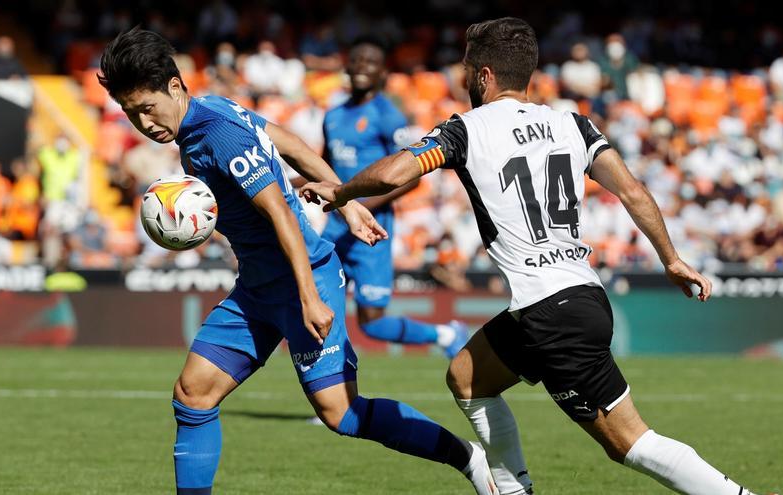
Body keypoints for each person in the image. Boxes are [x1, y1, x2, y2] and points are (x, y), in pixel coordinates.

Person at [301, 17, 768, 495]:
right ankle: (510, 488)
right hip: (572, 295)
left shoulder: (465, 130)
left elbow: (393, 173)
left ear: (483, 76)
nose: (464, 80)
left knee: (630, 442)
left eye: (466, 71)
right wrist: (670, 258)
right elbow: (631, 190)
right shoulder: (573, 124)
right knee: (466, 376)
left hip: (551, 313)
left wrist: (340, 192)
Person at [97, 27, 495, 495]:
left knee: (342, 415)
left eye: (147, 108)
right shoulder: (210, 112)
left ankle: (467, 457)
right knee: (193, 394)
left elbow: (280, 212)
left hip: (305, 279)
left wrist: (309, 296)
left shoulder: (216, 133)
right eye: (130, 113)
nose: (143, 123)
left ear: (175, 87)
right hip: (258, 288)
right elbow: (286, 141)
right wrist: (345, 201)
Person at [321, 37, 469, 356]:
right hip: (335, 226)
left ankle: (445, 334)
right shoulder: (332, 116)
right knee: (318, 305)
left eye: (370, 61)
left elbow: (411, 177)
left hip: (373, 229)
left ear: (382, 72)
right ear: (347, 67)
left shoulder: (388, 116)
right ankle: (332, 395)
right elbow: (322, 166)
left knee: (372, 322)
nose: (362, 66)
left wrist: (361, 206)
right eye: (357, 60)